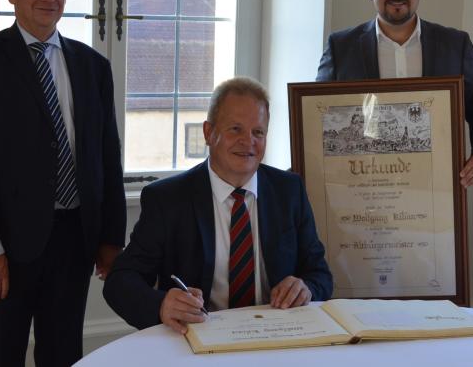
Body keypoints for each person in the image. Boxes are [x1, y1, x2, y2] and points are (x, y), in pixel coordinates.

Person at [0, 0, 126, 367]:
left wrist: (110, 238)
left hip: (74, 238)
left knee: (63, 350)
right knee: (3, 350)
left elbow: (107, 156)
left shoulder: (93, 66)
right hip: (6, 244)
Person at [103, 78, 332, 334]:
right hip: (198, 340)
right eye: (235, 129)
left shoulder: (289, 191)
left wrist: (306, 287)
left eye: (258, 132)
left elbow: (320, 274)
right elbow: (119, 283)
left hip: (276, 335)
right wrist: (162, 304)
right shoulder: (167, 199)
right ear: (209, 133)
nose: (248, 141)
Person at [317, 0, 473, 187]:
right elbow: (316, 113)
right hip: (362, 193)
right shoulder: (340, 48)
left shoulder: (455, 46)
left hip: (435, 192)